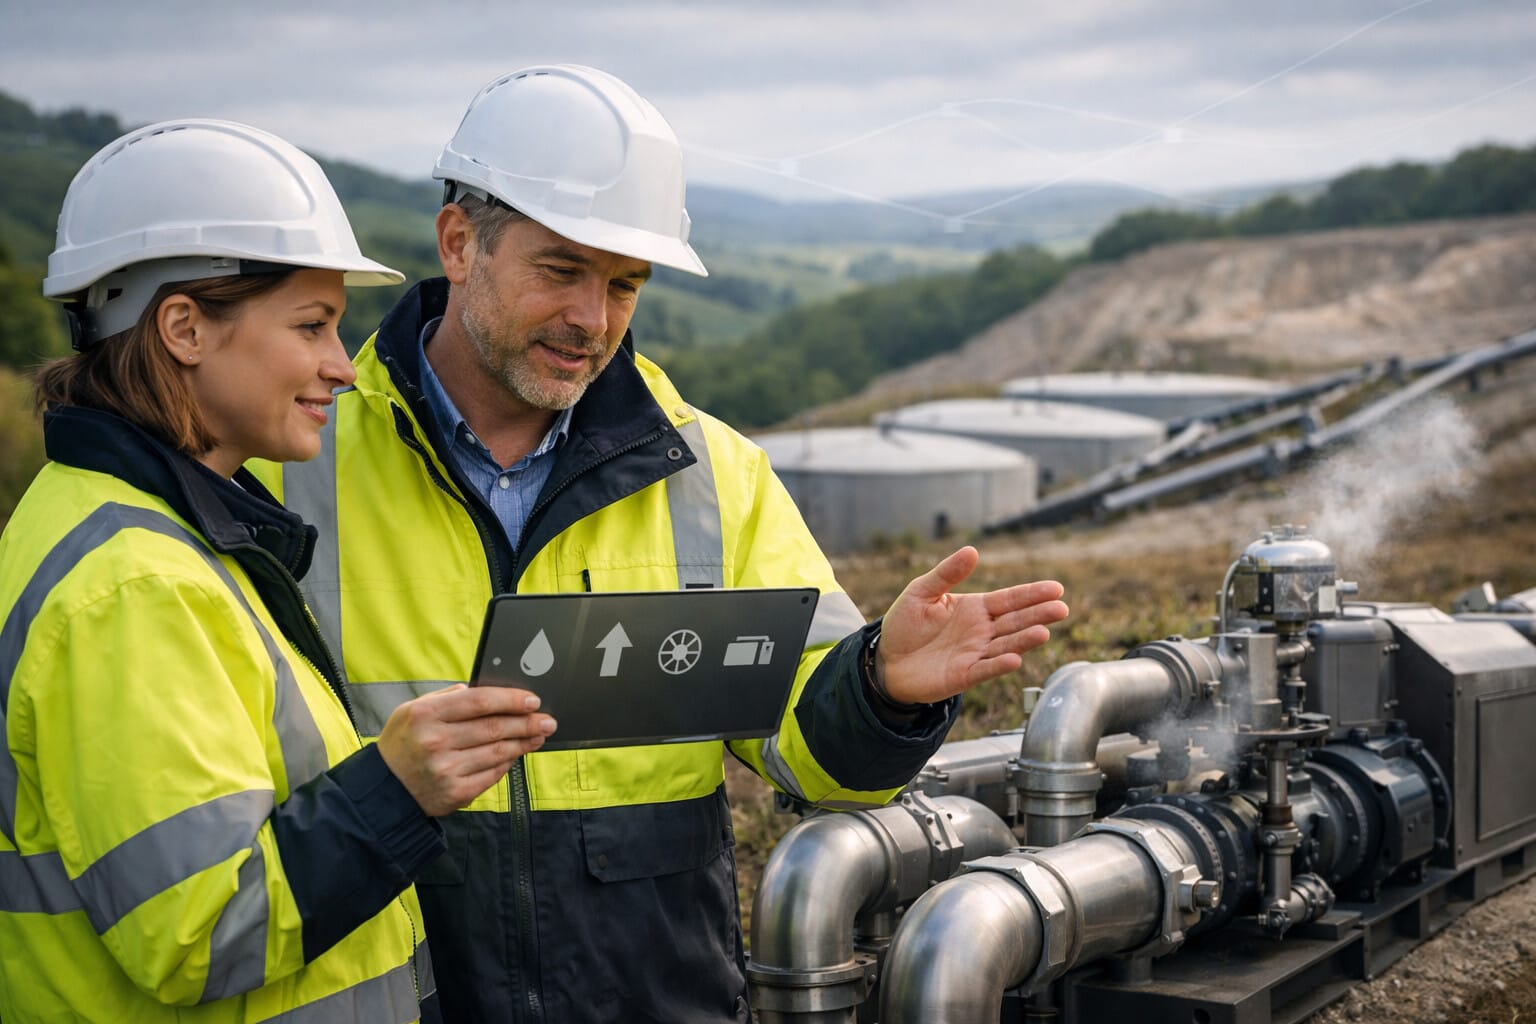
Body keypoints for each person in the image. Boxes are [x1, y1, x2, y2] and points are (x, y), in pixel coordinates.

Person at [252, 65, 1069, 1022]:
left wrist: (880, 689)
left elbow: (806, 752)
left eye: (623, 285)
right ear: (460, 242)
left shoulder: (710, 474)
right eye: (560, 269)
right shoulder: (287, 459)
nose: (590, 320)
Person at [0, 119, 555, 1023]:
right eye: (312, 326)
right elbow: (198, 928)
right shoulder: (134, 586)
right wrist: (396, 788)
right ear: (182, 327)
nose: (342, 367)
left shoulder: (154, 533)